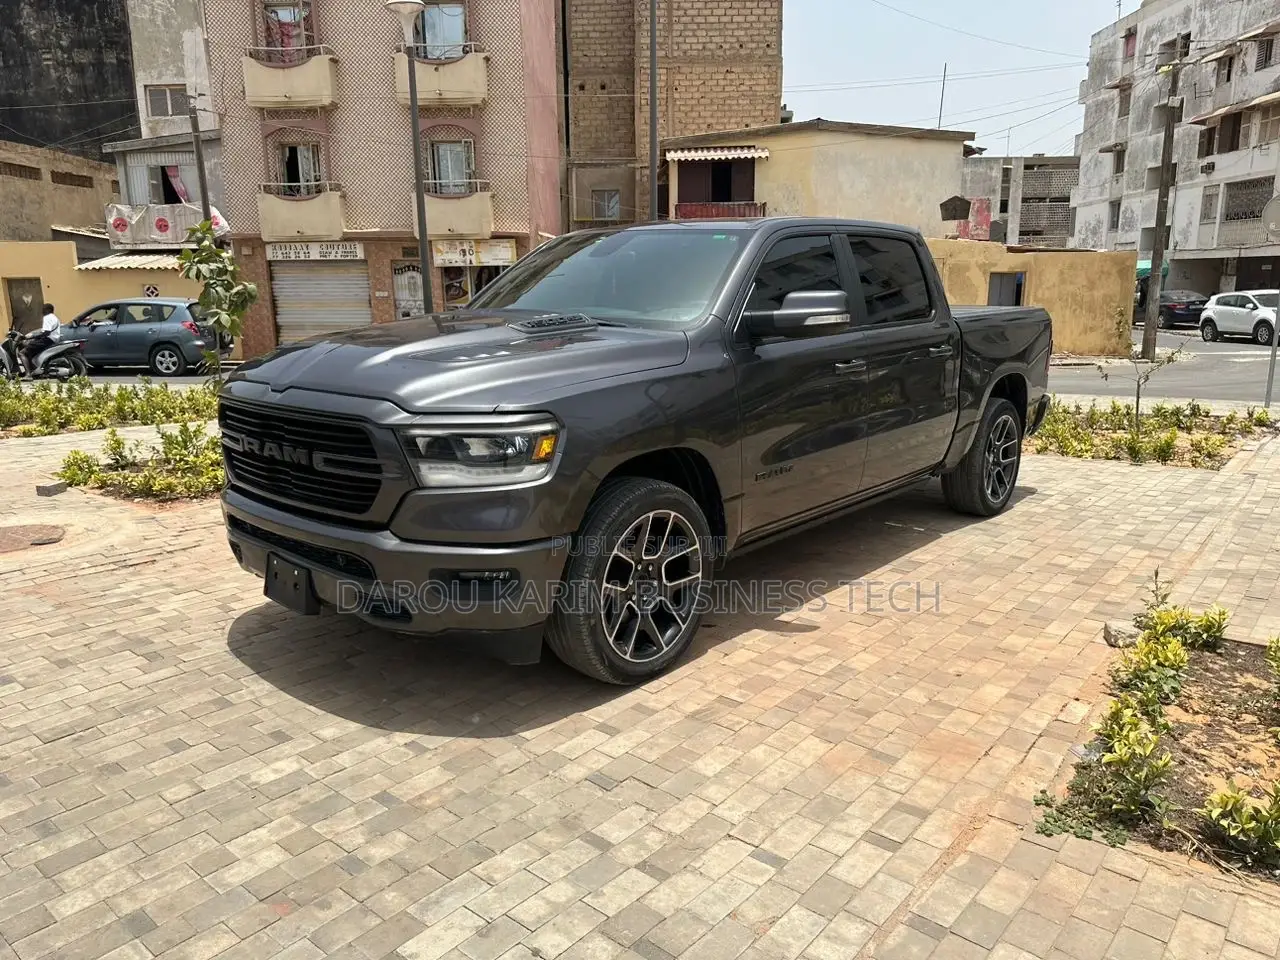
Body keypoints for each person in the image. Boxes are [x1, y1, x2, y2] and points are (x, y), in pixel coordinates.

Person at [22, 303, 61, 376]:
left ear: (48, 310)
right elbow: (44, 331)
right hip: (52, 340)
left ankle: (28, 374)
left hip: (47, 340)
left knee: (22, 353)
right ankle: (34, 369)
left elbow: (46, 332)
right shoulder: (55, 318)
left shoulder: (47, 317)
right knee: (30, 350)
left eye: (43, 309)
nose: (42, 311)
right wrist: (33, 335)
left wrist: (32, 337)